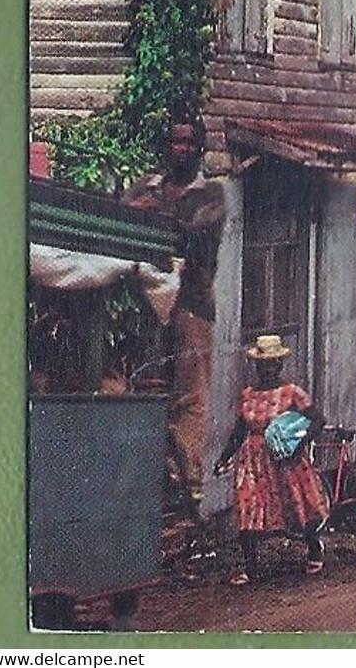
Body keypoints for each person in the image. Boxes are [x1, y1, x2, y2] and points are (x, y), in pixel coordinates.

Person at [123, 110, 226, 516]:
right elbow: (121, 216)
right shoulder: (148, 185)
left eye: (188, 141)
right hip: (146, 303)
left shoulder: (210, 195)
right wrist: (138, 210)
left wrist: (153, 214)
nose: (180, 148)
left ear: (199, 147)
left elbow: (196, 234)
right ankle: (157, 482)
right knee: (146, 386)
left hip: (192, 306)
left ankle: (191, 487)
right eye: (175, 141)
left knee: (190, 397)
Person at [211, 335, 327, 585]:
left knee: (297, 506)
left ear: (280, 365)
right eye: (263, 364)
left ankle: (314, 548)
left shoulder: (291, 393)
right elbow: (240, 429)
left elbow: (318, 420)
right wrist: (224, 457)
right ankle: (251, 566)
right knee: (247, 506)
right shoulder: (248, 396)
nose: (268, 369)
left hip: (283, 458)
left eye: (273, 363)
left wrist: (299, 443)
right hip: (252, 460)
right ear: (257, 366)